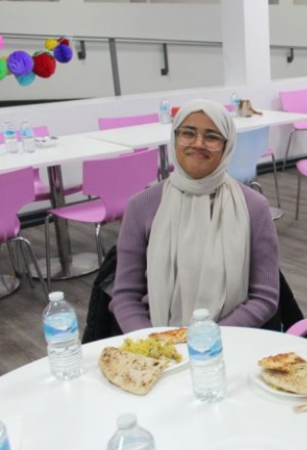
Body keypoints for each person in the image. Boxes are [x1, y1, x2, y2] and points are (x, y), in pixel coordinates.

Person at [110, 99, 279, 331]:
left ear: (227, 145)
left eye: (211, 136)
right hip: (156, 342)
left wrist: (207, 337)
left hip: (230, 338)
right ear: (175, 138)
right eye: (188, 133)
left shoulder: (254, 207)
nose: (198, 143)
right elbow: (125, 296)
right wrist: (154, 342)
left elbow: (264, 298)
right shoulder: (142, 206)